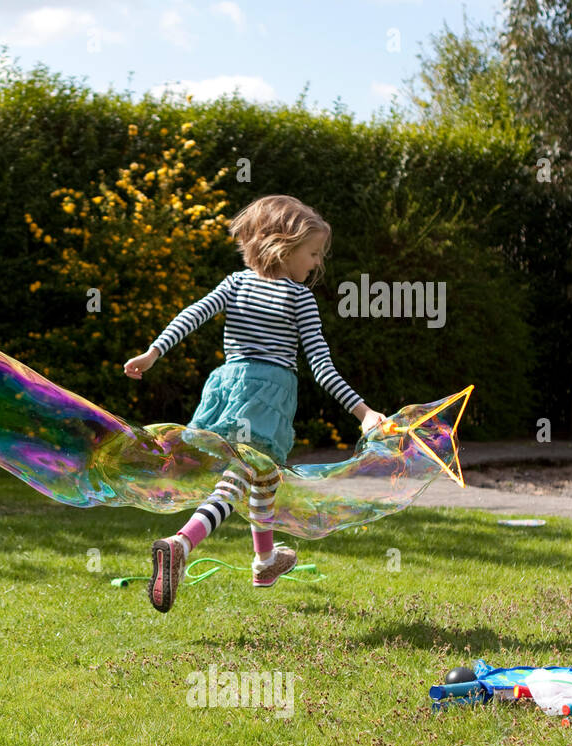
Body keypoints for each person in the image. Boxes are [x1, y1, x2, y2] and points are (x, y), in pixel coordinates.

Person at [122, 195, 386, 613]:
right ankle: (182, 542)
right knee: (244, 474)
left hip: (228, 386)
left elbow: (193, 315)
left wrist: (154, 352)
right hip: (267, 396)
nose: (317, 263)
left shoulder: (234, 283)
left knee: (262, 476)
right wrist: (364, 412)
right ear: (284, 246)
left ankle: (265, 561)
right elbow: (321, 365)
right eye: (313, 253)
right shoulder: (299, 298)